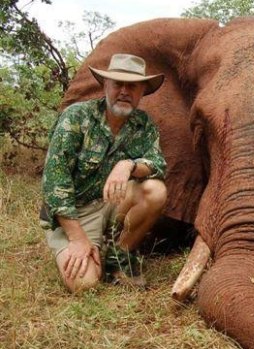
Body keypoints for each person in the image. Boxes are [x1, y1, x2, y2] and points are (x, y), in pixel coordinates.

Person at [41, 53, 168, 293]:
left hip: (113, 204)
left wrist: (127, 165)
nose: (124, 91)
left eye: (132, 86)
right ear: (105, 85)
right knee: (85, 284)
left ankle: (118, 256)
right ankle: (85, 247)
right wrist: (78, 238)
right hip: (75, 213)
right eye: (117, 84)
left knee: (155, 190)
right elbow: (55, 184)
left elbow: (158, 164)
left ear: (142, 91)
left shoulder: (144, 124)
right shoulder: (76, 117)